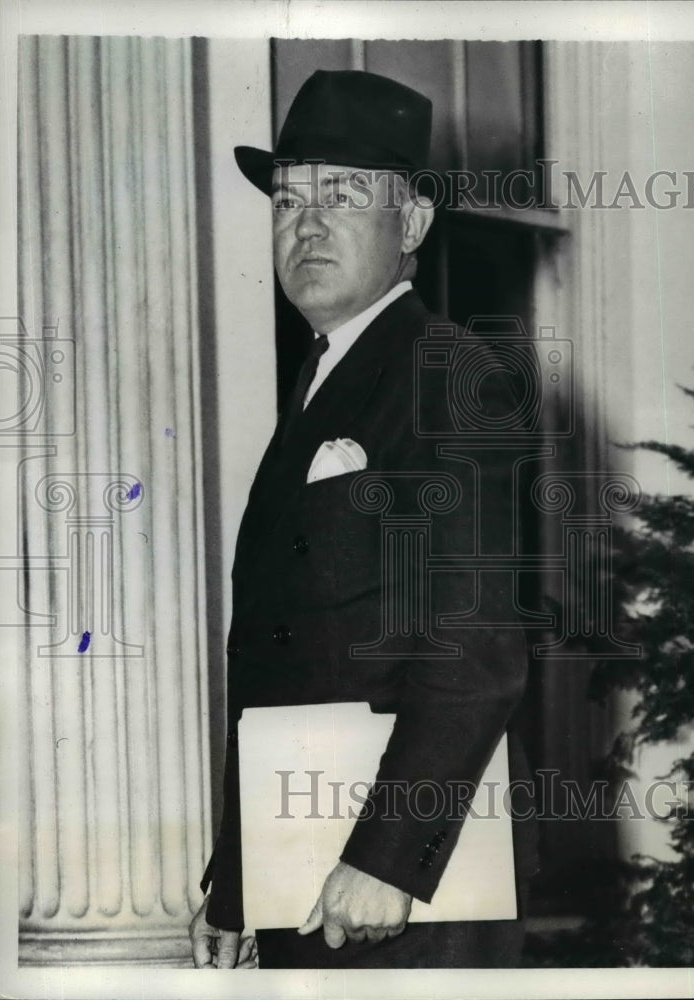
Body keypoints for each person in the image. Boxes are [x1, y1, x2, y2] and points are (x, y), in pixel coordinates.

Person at [189, 68, 538, 969]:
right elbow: (277, 659)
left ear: (412, 223)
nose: (305, 225)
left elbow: (475, 646)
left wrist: (387, 858)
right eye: (286, 200)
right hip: (303, 872)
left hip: (404, 898)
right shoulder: (318, 386)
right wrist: (237, 882)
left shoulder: (449, 375)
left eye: (342, 196)